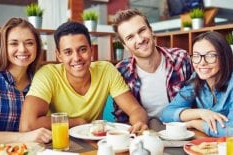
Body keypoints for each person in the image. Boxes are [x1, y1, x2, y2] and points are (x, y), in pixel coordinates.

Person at [19, 21, 148, 133]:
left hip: (94, 142)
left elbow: (135, 109)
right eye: (68, 52)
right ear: (59, 56)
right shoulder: (47, 75)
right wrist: (76, 122)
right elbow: (27, 125)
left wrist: (139, 122)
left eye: (82, 50)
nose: (77, 58)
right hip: (56, 144)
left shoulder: (106, 70)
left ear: (91, 50)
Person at [161, 31, 233, 137]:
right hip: (205, 145)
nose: (202, 62)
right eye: (196, 56)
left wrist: (195, 123)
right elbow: (166, 114)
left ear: (224, 56)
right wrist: (201, 113)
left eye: (210, 55)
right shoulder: (196, 79)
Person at [112, 9, 194, 123]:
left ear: (151, 31)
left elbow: (198, 100)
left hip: (183, 131)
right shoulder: (121, 72)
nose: (140, 39)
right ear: (124, 45)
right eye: (130, 37)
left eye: (142, 30)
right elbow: (122, 118)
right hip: (144, 135)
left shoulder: (181, 59)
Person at [0, 18, 51, 144]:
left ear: (37, 47)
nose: (22, 49)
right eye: (14, 43)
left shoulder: (42, 82)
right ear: (3, 46)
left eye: (29, 43)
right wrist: (23, 137)